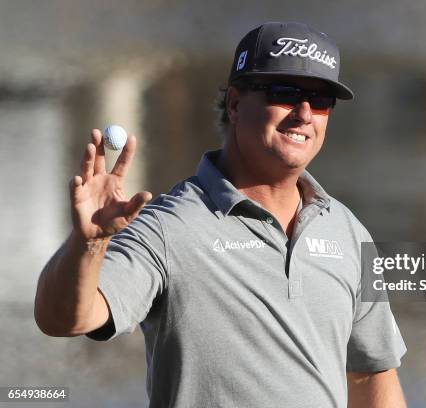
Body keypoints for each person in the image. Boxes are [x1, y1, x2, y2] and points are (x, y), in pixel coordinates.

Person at [34, 21, 407, 407]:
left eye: (320, 99)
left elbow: (370, 375)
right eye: (285, 93)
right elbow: (65, 319)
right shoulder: (167, 227)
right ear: (234, 103)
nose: (304, 113)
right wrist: (89, 244)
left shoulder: (347, 231)